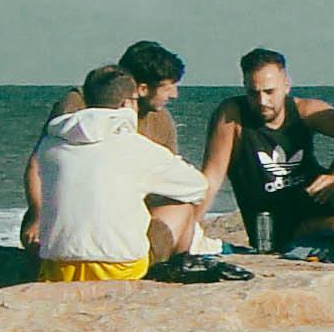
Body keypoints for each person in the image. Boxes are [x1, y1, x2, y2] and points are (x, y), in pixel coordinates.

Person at [194, 48, 334, 261]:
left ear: (286, 86)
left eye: (269, 92)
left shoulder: (305, 110)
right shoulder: (232, 116)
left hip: (316, 198)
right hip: (277, 225)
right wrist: (190, 230)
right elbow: (212, 177)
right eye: (254, 93)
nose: (262, 101)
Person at [28, 66, 210, 282]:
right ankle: (179, 267)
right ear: (128, 103)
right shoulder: (135, 147)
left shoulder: (51, 143)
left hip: (57, 268)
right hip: (122, 269)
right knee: (182, 208)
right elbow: (198, 187)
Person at [23, 41, 187, 248]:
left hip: (120, 220)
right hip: (68, 220)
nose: (175, 94)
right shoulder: (78, 105)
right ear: (143, 89)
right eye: (169, 86)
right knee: (184, 209)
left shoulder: (161, 119)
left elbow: (167, 181)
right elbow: (37, 166)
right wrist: (38, 216)